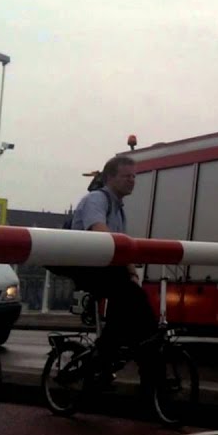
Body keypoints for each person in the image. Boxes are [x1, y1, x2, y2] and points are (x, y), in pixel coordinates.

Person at [59, 155, 156, 382]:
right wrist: (127, 270)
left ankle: (103, 361)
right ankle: (108, 359)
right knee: (135, 302)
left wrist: (132, 272)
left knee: (125, 313)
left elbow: (122, 245)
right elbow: (101, 232)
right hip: (90, 268)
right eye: (126, 176)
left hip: (107, 269)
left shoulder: (118, 208)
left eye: (134, 176)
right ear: (110, 178)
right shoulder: (96, 199)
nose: (132, 180)